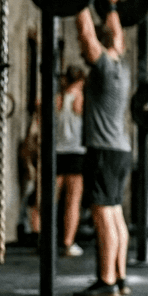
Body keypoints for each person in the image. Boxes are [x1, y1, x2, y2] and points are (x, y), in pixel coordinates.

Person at [72, 0, 131, 296]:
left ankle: (106, 280)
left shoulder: (105, 68)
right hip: (120, 151)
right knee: (115, 214)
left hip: (104, 151)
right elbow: (115, 36)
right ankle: (119, 276)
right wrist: (110, 5)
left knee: (103, 215)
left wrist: (78, 0)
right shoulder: (121, 65)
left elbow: (87, 37)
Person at [56, 65, 86, 257]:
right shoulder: (81, 100)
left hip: (57, 153)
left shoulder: (56, 99)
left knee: (51, 199)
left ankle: (46, 240)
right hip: (75, 154)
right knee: (72, 202)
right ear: (81, 81)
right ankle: (68, 243)